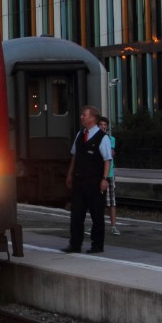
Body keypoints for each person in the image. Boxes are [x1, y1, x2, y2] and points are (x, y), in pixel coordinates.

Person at [63, 105, 113, 254]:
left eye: (84, 115)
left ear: (92, 118)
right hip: (79, 181)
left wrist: (104, 179)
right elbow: (75, 155)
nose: (81, 117)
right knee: (76, 214)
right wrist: (70, 174)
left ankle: (97, 245)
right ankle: (75, 244)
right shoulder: (80, 134)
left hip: (94, 181)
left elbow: (107, 159)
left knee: (97, 214)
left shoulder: (102, 137)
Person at [98, 115, 119, 236]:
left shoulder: (111, 139)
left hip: (109, 174)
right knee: (98, 203)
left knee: (111, 202)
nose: (103, 127)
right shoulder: (95, 139)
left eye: (105, 125)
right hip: (98, 174)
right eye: (101, 125)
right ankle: (97, 225)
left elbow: (110, 153)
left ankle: (113, 226)